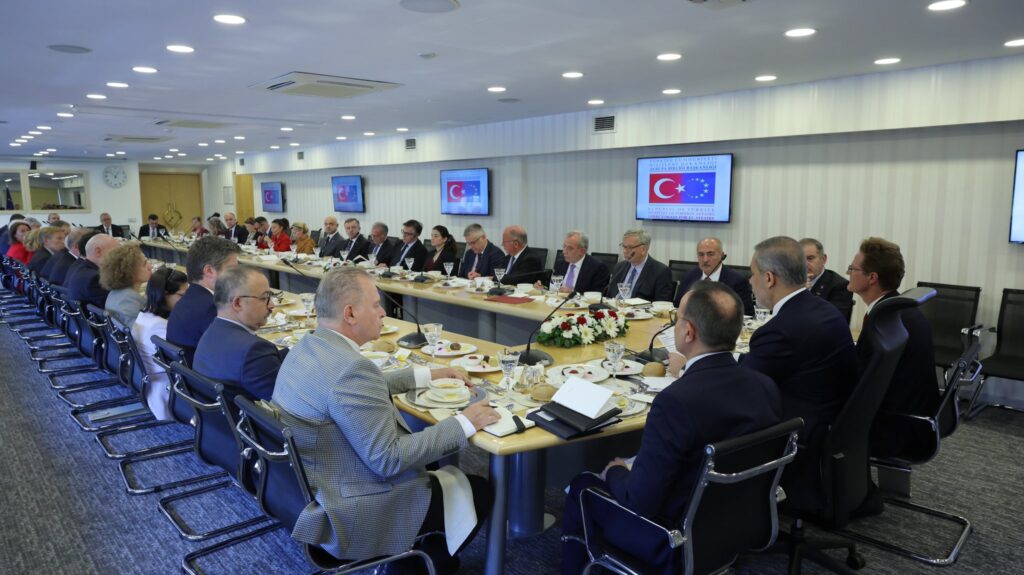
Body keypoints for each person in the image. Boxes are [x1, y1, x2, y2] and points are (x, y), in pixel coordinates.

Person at [271, 267, 499, 572]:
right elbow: (388, 460)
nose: (383, 312)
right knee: (479, 490)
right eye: (376, 304)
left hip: (313, 487)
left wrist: (427, 375)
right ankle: (417, 565)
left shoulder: (308, 346)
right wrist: (464, 422)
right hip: (352, 509)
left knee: (431, 461)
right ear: (350, 313)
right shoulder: (351, 370)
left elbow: (351, 392)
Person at [561, 282, 783, 575]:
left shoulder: (675, 401)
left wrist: (616, 471)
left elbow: (639, 502)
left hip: (673, 539)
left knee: (582, 485)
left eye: (677, 319)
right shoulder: (765, 386)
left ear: (688, 332)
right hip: (737, 526)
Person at [740, 236, 858, 512]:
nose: (750, 281)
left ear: (769, 278)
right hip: (830, 423)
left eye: (753, 274)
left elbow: (741, 387)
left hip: (797, 432)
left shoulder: (780, 329)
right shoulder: (823, 309)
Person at [847, 237, 939, 457]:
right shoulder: (901, 311)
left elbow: (861, 381)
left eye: (853, 268)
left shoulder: (882, 321)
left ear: (872, 278)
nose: (848, 273)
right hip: (914, 418)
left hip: (894, 426)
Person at [193, 265, 286, 401]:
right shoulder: (255, 351)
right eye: (265, 298)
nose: (272, 305)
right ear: (238, 303)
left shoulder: (211, 333)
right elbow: (287, 403)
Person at [166, 236, 242, 363]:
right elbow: (236, 354)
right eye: (232, 270)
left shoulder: (187, 299)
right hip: (205, 373)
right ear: (209, 271)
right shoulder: (210, 307)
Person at [132, 268, 189, 421]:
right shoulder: (160, 327)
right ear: (164, 294)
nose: (186, 301)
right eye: (182, 296)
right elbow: (183, 364)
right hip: (167, 395)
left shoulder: (144, 316)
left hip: (151, 387)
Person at [674, 237, 754, 314]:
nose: (705, 260)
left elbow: (746, 313)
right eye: (701, 255)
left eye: (710, 254)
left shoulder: (737, 281)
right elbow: (677, 304)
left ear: (721, 256)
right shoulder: (689, 276)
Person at [605, 229, 674, 302]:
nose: (625, 251)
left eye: (630, 247)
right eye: (624, 246)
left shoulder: (661, 272)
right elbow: (609, 294)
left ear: (644, 249)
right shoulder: (619, 267)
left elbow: (661, 304)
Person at [801, 237, 854, 322]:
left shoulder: (840, 285)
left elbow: (833, 321)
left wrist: (803, 293)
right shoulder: (790, 282)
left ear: (823, 259)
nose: (805, 264)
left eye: (810, 258)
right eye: (801, 259)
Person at [100, 243, 152, 327]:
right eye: (144, 264)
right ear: (128, 271)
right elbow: (147, 329)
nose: (150, 266)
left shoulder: (117, 293)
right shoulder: (127, 299)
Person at [65, 233, 120, 309]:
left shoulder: (83, 269)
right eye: (116, 251)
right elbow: (117, 306)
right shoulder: (94, 278)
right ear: (98, 252)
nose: (119, 256)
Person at [548, 230, 609, 295]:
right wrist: (542, 287)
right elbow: (552, 287)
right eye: (564, 246)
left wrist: (574, 294)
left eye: (570, 248)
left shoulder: (597, 268)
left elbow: (597, 295)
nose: (564, 251)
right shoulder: (560, 264)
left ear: (582, 251)